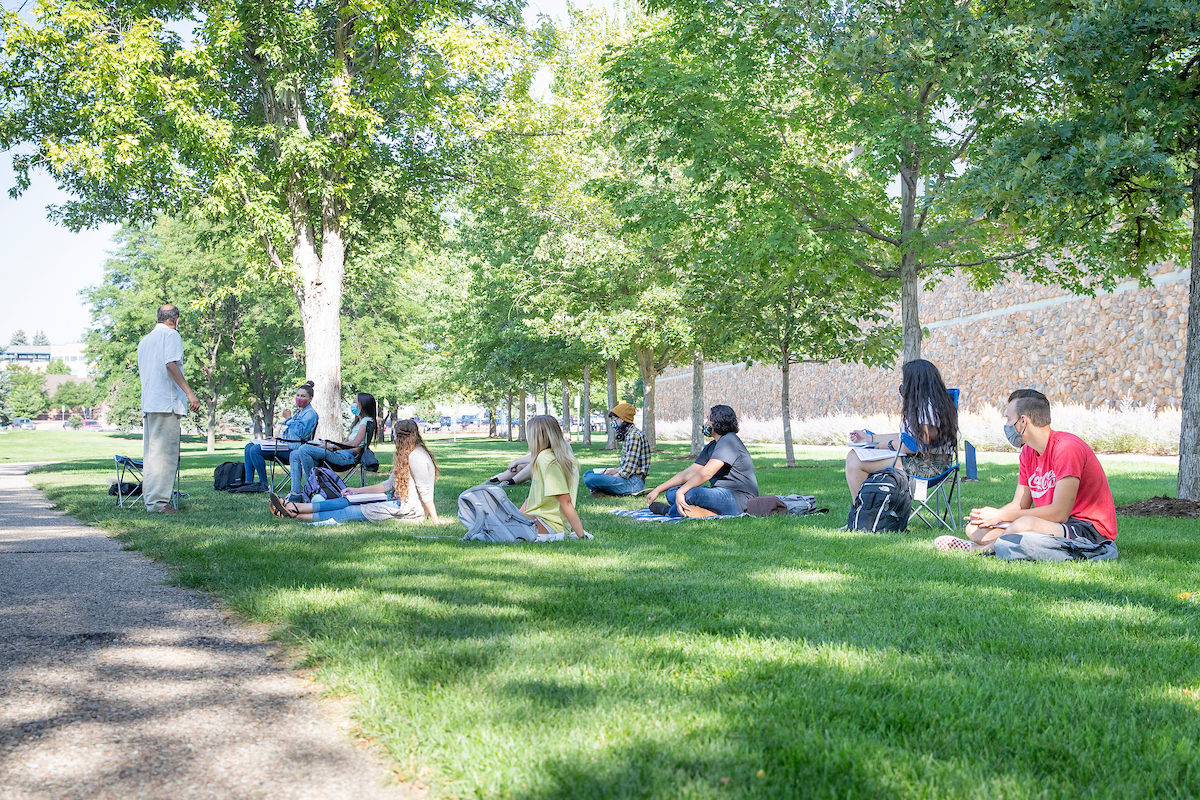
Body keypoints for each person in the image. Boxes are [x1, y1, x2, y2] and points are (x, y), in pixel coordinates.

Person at [936, 389, 1118, 554]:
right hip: (1054, 526)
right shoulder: (1028, 453)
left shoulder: (1067, 448)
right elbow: (1019, 504)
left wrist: (1000, 516)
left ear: (1023, 421)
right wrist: (990, 516)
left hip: (1087, 529)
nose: (1006, 425)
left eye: (1008, 419)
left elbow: (1059, 513)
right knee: (974, 528)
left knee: (1024, 524)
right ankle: (998, 543)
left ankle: (981, 550)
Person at [271, 419, 442, 524]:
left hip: (407, 510)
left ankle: (293, 514)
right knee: (347, 501)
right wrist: (357, 491)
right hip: (395, 500)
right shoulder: (410, 453)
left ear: (400, 437)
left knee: (348, 512)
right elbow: (389, 484)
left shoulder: (416, 457)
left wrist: (435, 520)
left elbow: (425, 493)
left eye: (395, 436)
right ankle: (295, 506)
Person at [846, 358, 958, 500]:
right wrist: (870, 438)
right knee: (854, 455)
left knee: (856, 463)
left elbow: (918, 446)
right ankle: (864, 514)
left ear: (914, 385)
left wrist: (887, 445)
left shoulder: (928, 408)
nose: (901, 388)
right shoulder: (928, 404)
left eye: (904, 384)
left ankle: (863, 515)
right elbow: (905, 436)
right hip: (918, 461)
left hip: (929, 466)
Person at [136, 304, 200, 513]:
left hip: (150, 402)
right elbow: (171, 364)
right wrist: (190, 393)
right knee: (164, 454)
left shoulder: (145, 341)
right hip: (166, 402)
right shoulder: (171, 336)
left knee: (152, 453)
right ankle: (159, 503)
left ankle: (150, 498)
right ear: (176, 319)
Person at [646, 404, 758, 517]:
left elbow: (707, 472)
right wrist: (658, 490)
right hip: (719, 493)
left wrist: (682, 491)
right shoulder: (712, 446)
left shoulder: (729, 441)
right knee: (671, 493)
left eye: (709, 419)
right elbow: (689, 473)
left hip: (739, 499)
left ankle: (668, 511)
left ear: (718, 422)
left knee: (690, 494)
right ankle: (704, 511)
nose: (705, 423)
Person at [286, 392, 377, 502]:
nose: (352, 405)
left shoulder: (367, 421)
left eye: (354, 402)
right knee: (295, 454)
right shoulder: (357, 422)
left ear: (363, 404)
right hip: (339, 454)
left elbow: (355, 443)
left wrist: (333, 447)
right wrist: (328, 445)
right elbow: (345, 442)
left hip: (347, 457)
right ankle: (295, 493)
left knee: (304, 449)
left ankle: (310, 490)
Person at [517, 415, 591, 539]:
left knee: (491, 521)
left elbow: (565, 501)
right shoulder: (560, 456)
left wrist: (581, 535)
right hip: (542, 520)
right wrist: (517, 515)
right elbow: (531, 498)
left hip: (548, 524)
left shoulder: (546, 458)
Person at [241, 381, 319, 491]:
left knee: (255, 450)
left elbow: (300, 434)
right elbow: (291, 434)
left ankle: (264, 484)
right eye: (297, 395)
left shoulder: (310, 414)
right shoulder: (299, 412)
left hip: (295, 449)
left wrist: (288, 419)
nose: (299, 398)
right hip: (285, 444)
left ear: (310, 398)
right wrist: (276, 439)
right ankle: (248, 482)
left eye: (303, 396)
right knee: (249, 446)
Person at [581, 402, 650, 496]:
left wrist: (613, 475)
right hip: (629, 479)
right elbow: (628, 465)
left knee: (590, 478)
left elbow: (628, 470)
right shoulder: (629, 434)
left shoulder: (634, 436)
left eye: (614, 418)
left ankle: (603, 491)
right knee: (588, 473)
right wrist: (613, 471)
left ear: (622, 419)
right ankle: (604, 491)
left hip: (633, 483)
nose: (612, 422)